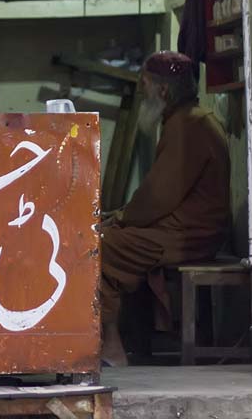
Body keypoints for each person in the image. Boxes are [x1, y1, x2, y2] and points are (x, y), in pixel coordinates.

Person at [98, 51, 231, 366]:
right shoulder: (188, 120)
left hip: (190, 236)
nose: (142, 92)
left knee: (95, 246)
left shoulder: (190, 126)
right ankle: (122, 342)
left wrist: (121, 217)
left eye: (144, 84)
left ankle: (112, 347)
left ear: (163, 91)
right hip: (180, 230)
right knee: (103, 236)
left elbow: (159, 197)